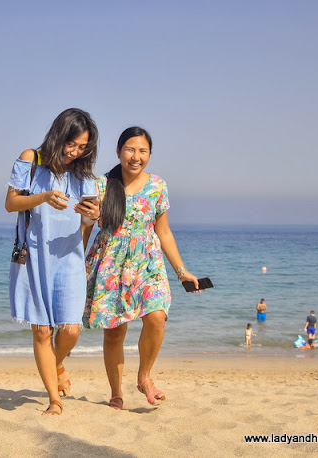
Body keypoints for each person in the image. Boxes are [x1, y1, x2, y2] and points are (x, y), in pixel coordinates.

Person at [83, 127, 202, 410]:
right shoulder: (101, 185)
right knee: (114, 332)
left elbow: (164, 233)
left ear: (149, 154)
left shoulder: (158, 186)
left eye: (143, 151)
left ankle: (144, 377)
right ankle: (116, 392)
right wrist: (75, 263)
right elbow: (85, 230)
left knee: (157, 316)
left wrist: (182, 271)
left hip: (148, 263)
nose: (136, 157)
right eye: (130, 150)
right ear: (118, 151)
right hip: (111, 263)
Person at [5, 108, 100, 416]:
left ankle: (57, 364)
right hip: (35, 255)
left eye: (82, 147)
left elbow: (87, 222)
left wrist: (93, 215)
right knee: (42, 332)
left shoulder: (84, 175)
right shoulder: (31, 159)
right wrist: (43, 197)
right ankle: (54, 402)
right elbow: (11, 203)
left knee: (70, 330)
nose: (75, 152)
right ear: (59, 135)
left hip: (70, 255)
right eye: (71, 144)